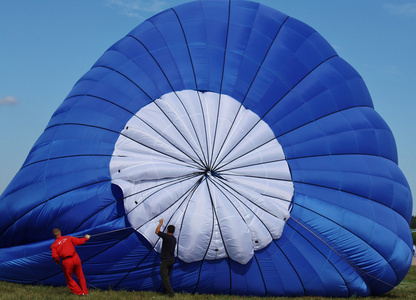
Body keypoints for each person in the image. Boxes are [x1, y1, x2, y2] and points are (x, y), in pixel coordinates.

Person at [50, 228, 90, 295]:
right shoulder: (68, 238)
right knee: (80, 275)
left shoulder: (54, 245)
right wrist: (86, 238)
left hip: (67, 261)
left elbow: (55, 256)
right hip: (75, 258)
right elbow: (79, 241)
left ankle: (79, 293)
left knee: (69, 279)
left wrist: (57, 261)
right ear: (60, 233)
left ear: (54, 236)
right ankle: (85, 292)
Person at [155, 219, 176, 297]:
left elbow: (157, 231)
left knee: (164, 276)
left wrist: (160, 223)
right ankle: (165, 291)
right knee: (167, 276)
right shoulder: (174, 239)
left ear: (167, 230)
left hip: (166, 260)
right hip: (172, 260)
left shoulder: (167, 237)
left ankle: (171, 293)